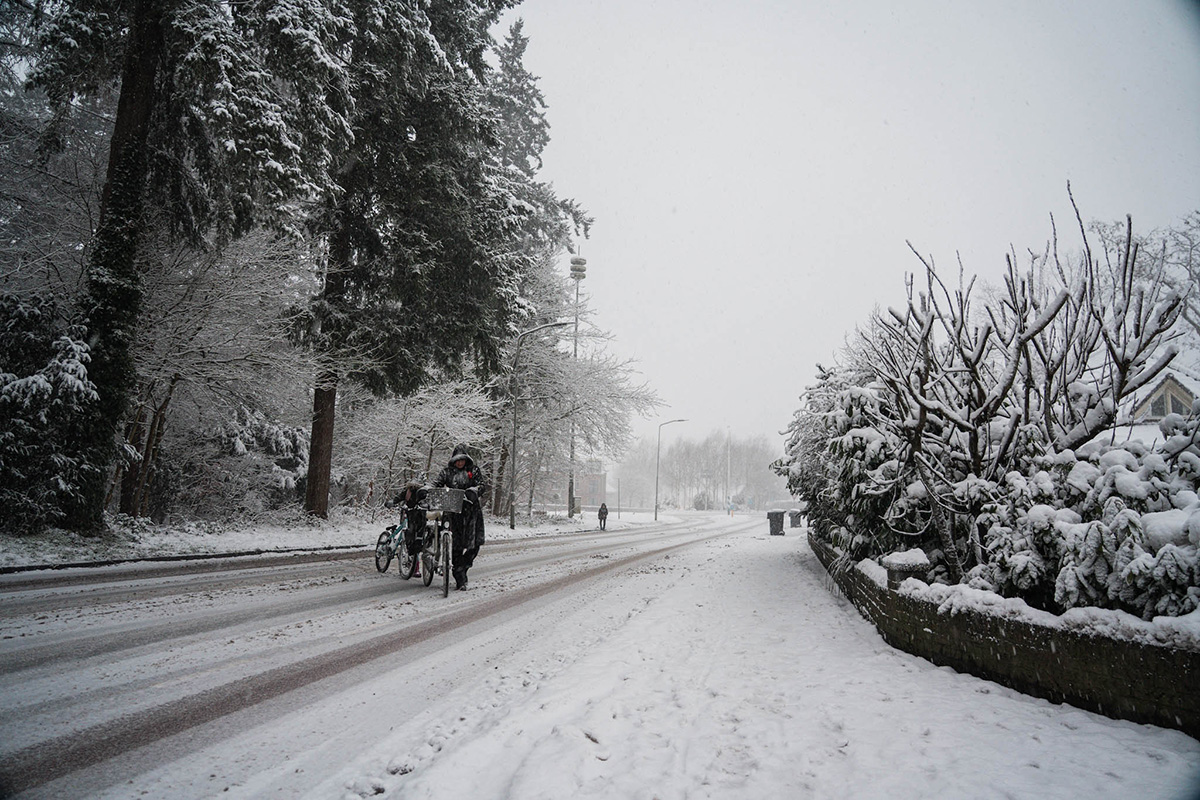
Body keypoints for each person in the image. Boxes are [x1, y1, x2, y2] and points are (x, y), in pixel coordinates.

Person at [432, 444, 487, 590]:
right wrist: (428, 491)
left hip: (472, 513)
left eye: (462, 460)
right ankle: (459, 577)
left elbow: (482, 485)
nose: (460, 463)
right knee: (456, 546)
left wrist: (474, 491)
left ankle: (463, 568)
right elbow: (436, 484)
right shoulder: (447, 472)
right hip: (453, 513)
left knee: (474, 545)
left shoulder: (474, 471)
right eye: (457, 460)